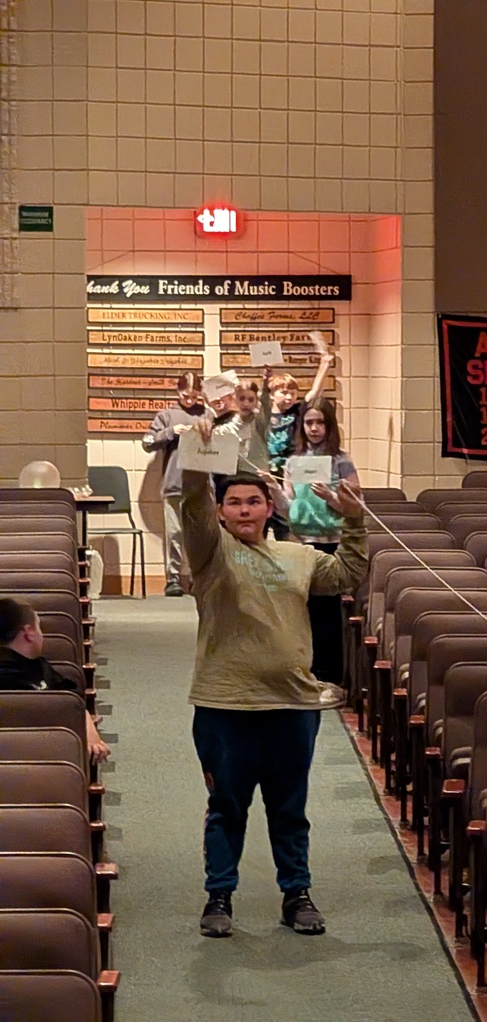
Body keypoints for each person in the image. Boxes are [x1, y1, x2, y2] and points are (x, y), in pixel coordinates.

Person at [180, 451, 368, 939]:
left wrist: (353, 521)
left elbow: (347, 573)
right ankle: (219, 895)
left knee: (289, 808)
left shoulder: (298, 555)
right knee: (227, 806)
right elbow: (193, 512)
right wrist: (199, 468)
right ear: (221, 511)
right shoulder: (211, 553)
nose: (243, 510)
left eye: (253, 502)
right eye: (234, 503)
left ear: (270, 508)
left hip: (292, 705)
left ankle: (296, 895)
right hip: (226, 704)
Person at [283, 398, 360, 687]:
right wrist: (273, 491)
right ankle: (307, 671)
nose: (314, 428)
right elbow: (288, 505)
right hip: (302, 541)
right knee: (303, 610)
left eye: (320, 423)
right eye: (309, 423)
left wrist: (333, 498)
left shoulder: (341, 460)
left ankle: (330, 675)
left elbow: (356, 504)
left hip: (332, 541)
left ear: (329, 426)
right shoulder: (293, 461)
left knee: (328, 612)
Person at [0, 597, 110, 764]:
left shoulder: (38, 666)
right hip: (42, 759)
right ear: (28, 632)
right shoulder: (19, 672)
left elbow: (72, 702)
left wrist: (89, 729)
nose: (42, 635)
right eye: (39, 627)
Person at [142, 371, 206, 596]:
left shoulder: (206, 414)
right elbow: (147, 442)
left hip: (202, 485)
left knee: (200, 534)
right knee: (175, 533)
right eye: (185, 395)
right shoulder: (167, 415)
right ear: (178, 391)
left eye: (194, 396)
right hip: (174, 482)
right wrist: (170, 432)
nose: (189, 400)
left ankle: (200, 577)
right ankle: (173, 578)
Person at [266, 349, 335, 540]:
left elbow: (315, 393)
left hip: (291, 473)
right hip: (266, 474)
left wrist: (325, 364)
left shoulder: (297, 411)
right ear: (272, 394)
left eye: (293, 393)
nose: (289, 397)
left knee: (286, 524)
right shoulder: (263, 415)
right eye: (284, 392)